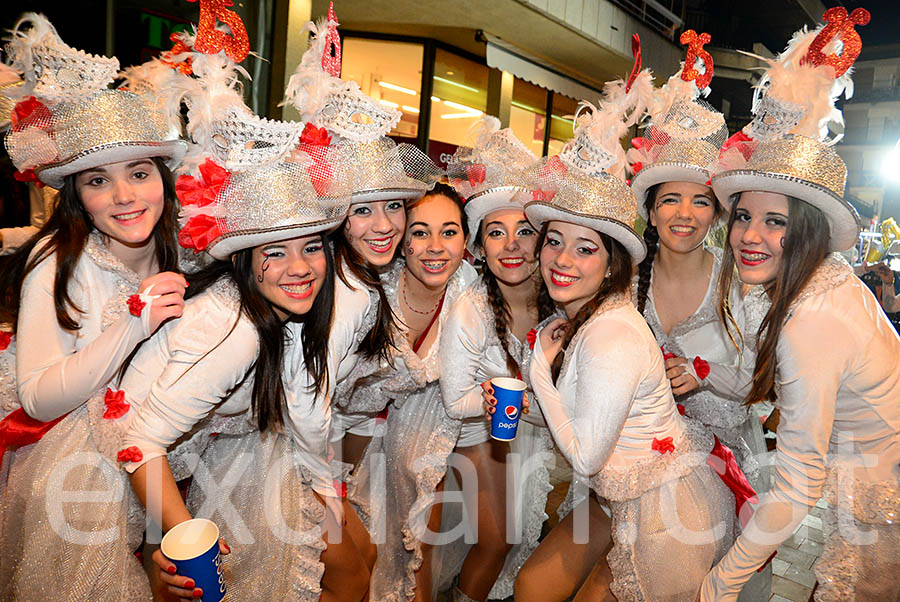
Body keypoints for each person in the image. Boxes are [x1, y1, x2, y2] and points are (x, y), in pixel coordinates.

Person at [509, 76, 735, 601]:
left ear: (612, 263)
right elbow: (580, 415)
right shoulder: (585, 315)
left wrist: (537, 371)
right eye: (555, 242)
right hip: (618, 490)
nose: (562, 260)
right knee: (532, 586)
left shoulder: (611, 332)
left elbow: (585, 457)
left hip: (668, 508)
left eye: (585, 249)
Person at [702, 12, 900, 600]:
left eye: (775, 221)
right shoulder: (811, 281)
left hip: (881, 493)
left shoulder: (812, 316)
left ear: (808, 231)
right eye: (743, 216)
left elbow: (795, 488)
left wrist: (720, 583)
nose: (749, 236)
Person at [0, 13, 187, 600]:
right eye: (98, 181)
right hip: (75, 474)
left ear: (164, 176)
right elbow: (37, 397)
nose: (126, 196)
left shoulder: (182, 246)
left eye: (139, 173)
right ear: (77, 194)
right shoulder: (57, 260)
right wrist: (131, 324)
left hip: (170, 449)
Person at [629, 51, 769, 502]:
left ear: (718, 214)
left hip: (723, 471)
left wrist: (703, 373)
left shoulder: (741, 282)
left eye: (701, 201)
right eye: (670, 199)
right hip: (637, 459)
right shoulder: (626, 282)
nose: (685, 214)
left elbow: (761, 382)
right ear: (650, 210)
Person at [435, 118, 555, 602]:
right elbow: (453, 401)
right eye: (496, 233)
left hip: (526, 444)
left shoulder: (560, 303)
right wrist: (503, 401)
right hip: (472, 440)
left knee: (514, 546)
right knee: (489, 542)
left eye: (524, 231)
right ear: (480, 247)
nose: (511, 246)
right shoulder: (473, 308)